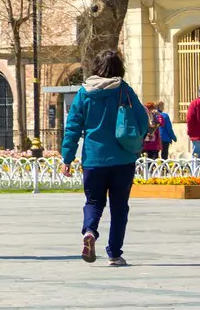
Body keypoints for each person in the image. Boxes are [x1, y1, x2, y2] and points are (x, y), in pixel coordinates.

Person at [62, 49, 150, 267]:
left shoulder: (84, 93)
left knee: (93, 201)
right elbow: (142, 120)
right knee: (119, 207)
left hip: (93, 159)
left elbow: (72, 127)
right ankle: (114, 253)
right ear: (119, 68)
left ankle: (90, 231)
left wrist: (67, 157)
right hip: (122, 159)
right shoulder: (124, 90)